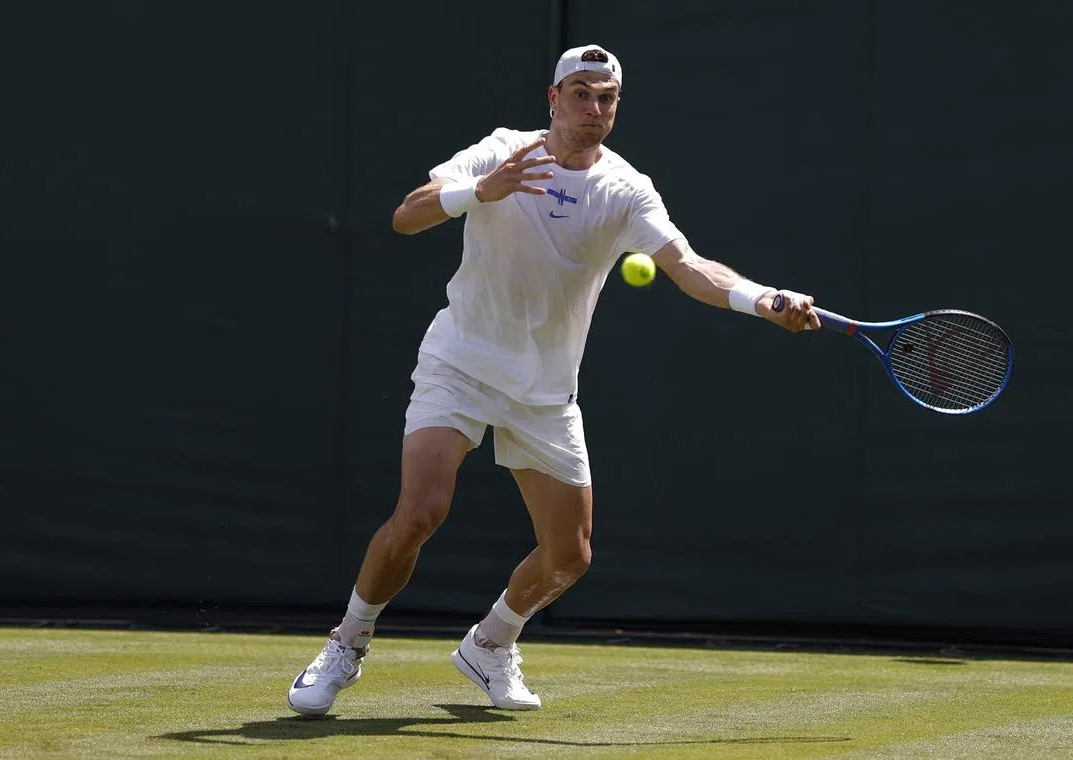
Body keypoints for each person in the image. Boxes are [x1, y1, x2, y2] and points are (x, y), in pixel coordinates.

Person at [286, 43, 819, 717]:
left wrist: (762, 298)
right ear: (553, 97)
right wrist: (482, 189)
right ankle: (347, 643)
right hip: (461, 362)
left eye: (608, 99)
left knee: (569, 556)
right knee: (421, 510)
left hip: (544, 390)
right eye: (582, 94)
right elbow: (407, 213)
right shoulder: (503, 151)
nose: (594, 109)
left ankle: (490, 644)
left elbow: (688, 266)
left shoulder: (627, 189)